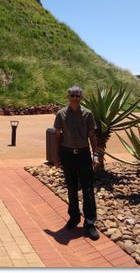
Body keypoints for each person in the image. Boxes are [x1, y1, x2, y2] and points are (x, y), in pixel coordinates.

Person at [52, 85, 100, 240]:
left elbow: (92, 135)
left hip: (83, 155)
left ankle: (90, 222)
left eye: (77, 96)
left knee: (87, 189)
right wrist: (56, 157)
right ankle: (74, 217)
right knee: (71, 188)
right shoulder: (61, 114)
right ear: (68, 97)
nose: (74, 98)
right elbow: (57, 136)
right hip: (67, 155)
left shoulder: (88, 114)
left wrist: (95, 154)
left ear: (81, 98)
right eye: (72, 95)